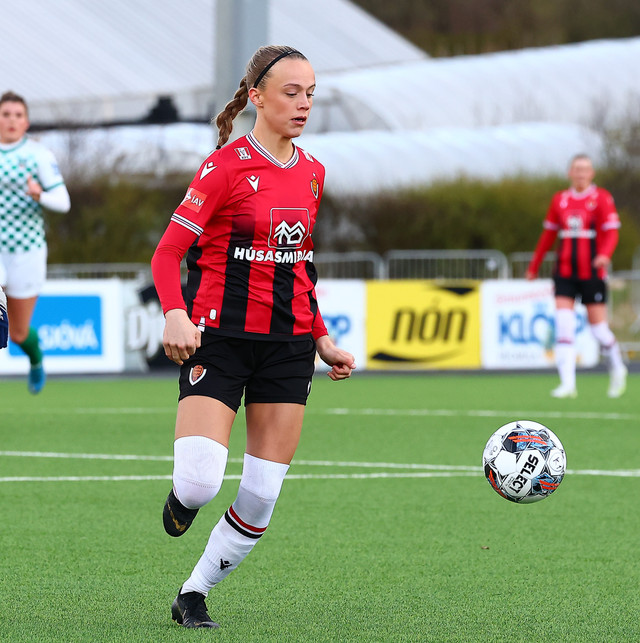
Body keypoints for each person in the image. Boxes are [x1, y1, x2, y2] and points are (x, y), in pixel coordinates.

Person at [151, 45, 356, 630]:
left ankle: (193, 592)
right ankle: (183, 499)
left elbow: (301, 266)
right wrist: (174, 312)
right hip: (219, 340)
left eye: (310, 93)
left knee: (262, 494)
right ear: (257, 97)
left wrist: (321, 338)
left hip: (288, 348)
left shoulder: (313, 172)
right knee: (199, 483)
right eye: (291, 92)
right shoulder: (224, 167)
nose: (303, 103)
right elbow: (167, 253)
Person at [526, 153, 627, 399]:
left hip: (592, 272)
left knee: (599, 330)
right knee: (564, 326)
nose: (581, 173)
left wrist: (604, 254)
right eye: (577, 169)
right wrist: (534, 265)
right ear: (570, 173)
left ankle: (618, 367)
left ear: (591, 173)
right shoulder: (559, 200)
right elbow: (548, 236)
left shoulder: (601, 198)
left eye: (585, 169)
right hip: (564, 273)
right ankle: (567, 384)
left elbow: (612, 233)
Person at [0, 91, 71, 392]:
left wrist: (39, 194)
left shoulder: (38, 155)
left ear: (26, 122)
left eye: (18, 115)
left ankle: (36, 358)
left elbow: (63, 202)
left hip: (26, 252)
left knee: (17, 333)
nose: (11, 120)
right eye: (6, 114)